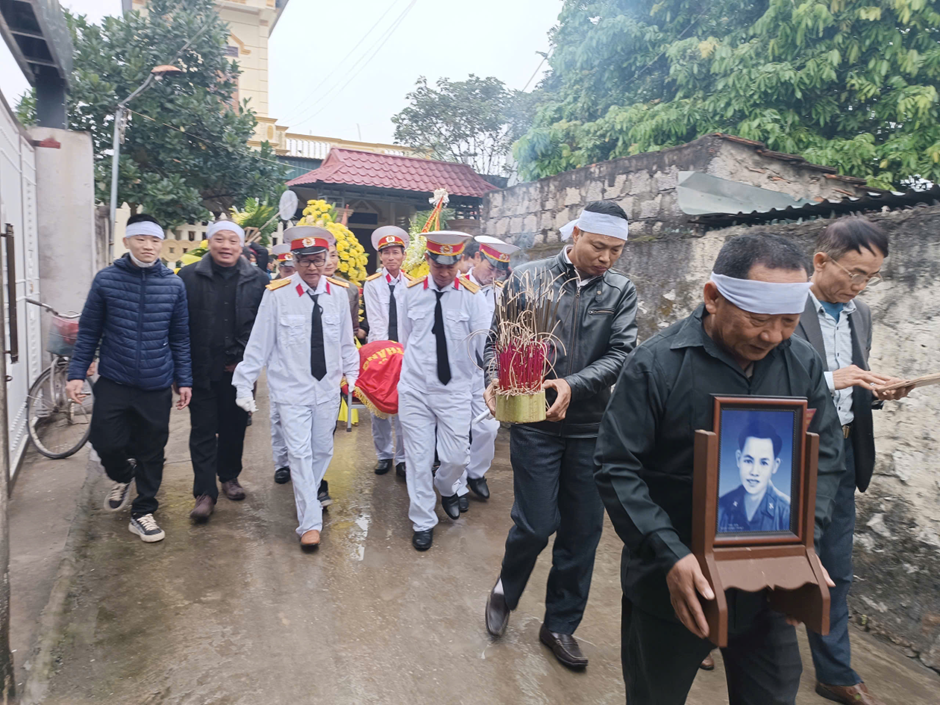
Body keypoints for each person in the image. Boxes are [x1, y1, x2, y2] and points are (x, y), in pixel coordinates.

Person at [594, 232, 844, 704]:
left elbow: (826, 454)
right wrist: (669, 553)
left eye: (789, 322)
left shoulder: (802, 363)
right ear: (713, 297)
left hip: (769, 587)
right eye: (758, 319)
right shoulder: (656, 364)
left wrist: (802, 542)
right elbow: (616, 466)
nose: (773, 336)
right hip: (676, 583)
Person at [483, 201, 638, 670]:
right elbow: (495, 342)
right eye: (598, 246)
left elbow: (622, 353)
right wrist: (493, 376)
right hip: (534, 423)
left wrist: (573, 384)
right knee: (535, 523)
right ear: (575, 236)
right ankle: (506, 588)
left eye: (616, 250)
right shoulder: (529, 278)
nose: (606, 258)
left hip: (591, 428)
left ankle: (560, 625)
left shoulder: (621, 291)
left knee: (582, 531)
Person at [794, 217, 911, 705]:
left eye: (871, 277)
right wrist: (829, 379)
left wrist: (877, 391)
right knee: (758, 553)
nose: (861, 286)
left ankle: (834, 671)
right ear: (821, 261)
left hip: (840, 451)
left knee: (836, 565)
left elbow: (852, 385)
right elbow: (758, 379)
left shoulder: (859, 314)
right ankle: (709, 634)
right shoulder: (784, 306)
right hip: (788, 450)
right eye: (855, 273)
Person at [67, 214, 192, 543]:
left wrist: (184, 380)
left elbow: (180, 337)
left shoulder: (173, 285)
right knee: (105, 441)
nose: (148, 246)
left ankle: (143, 511)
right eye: (141, 239)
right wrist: (76, 373)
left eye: (155, 240)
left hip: (156, 383)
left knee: (152, 449)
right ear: (127, 242)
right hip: (115, 379)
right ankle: (123, 475)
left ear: (161, 244)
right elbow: (89, 331)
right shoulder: (106, 280)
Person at [233, 226, 359, 548]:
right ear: (294, 260)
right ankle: (310, 523)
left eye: (318, 260)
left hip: (327, 389)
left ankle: (307, 500)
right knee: (299, 454)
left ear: (327, 258)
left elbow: (346, 342)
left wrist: (353, 375)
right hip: (291, 391)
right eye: (305, 261)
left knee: (322, 450)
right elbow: (258, 344)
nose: (312, 267)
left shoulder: (339, 294)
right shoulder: (277, 295)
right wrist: (244, 384)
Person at [397, 231, 490, 551]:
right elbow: (406, 338)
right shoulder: (410, 292)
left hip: (454, 390)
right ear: (428, 260)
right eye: (438, 265)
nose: (445, 272)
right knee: (418, 458)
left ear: (460, 261)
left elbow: (483, 344)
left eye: (451, 266)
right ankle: (423, 520)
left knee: (456, 457)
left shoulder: (472, 296)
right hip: (415, 389)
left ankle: (447, 487)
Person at [178, 219, 269, 522]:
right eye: (220, 239)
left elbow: (262, 326)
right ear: (209, 242)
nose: (226, 246)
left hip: (239, 372)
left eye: (232, 240)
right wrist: (181, 373)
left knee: (234, 427)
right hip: (201, 369)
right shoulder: (188, 277)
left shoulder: (258, 279)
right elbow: (180, 326)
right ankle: (205, 492)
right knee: (202, 430)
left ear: (241, 245)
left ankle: (229, 476)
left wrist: (244, 358)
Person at [455, 235, 519, 510]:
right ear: (478, 258)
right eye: (490, 268)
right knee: (458, 430)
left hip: (487, 371)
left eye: (499, 272)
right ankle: (456, 485)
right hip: (458, 370)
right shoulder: (456, 286)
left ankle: (476, 472)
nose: (493, 275)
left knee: (488, 428)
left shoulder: (502, 293)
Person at [362, 226, 411, 478]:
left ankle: (402, 458)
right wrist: (385, 355)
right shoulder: (372, 284)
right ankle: (383, 455)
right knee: (378, 407)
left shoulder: (412, 284)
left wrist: (403, 353)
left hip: (405, 354)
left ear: (403, 255)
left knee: (404, 407)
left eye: (395, 252)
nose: (391, 257)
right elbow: (376, 322)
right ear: (380, 256)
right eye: (386, 253)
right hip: (380, 354)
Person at [716, 417, 791, 533]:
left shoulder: (787, 511)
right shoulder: (720, 507)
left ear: (775, 465)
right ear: (738, 459)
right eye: (748, 461)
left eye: (764, 463)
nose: (754, 472)